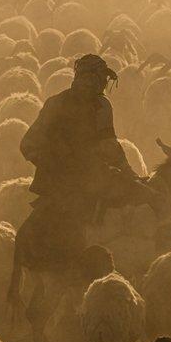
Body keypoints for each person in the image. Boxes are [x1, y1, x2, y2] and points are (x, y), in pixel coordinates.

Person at [19, 53, 141, 228]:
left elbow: (27, 144)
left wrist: (52, 165)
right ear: (99, 80)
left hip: (53, 187)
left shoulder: (55, 103)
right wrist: (130, 175)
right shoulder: (101, 105)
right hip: (90, 183)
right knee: (144, 204)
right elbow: (109, 147)